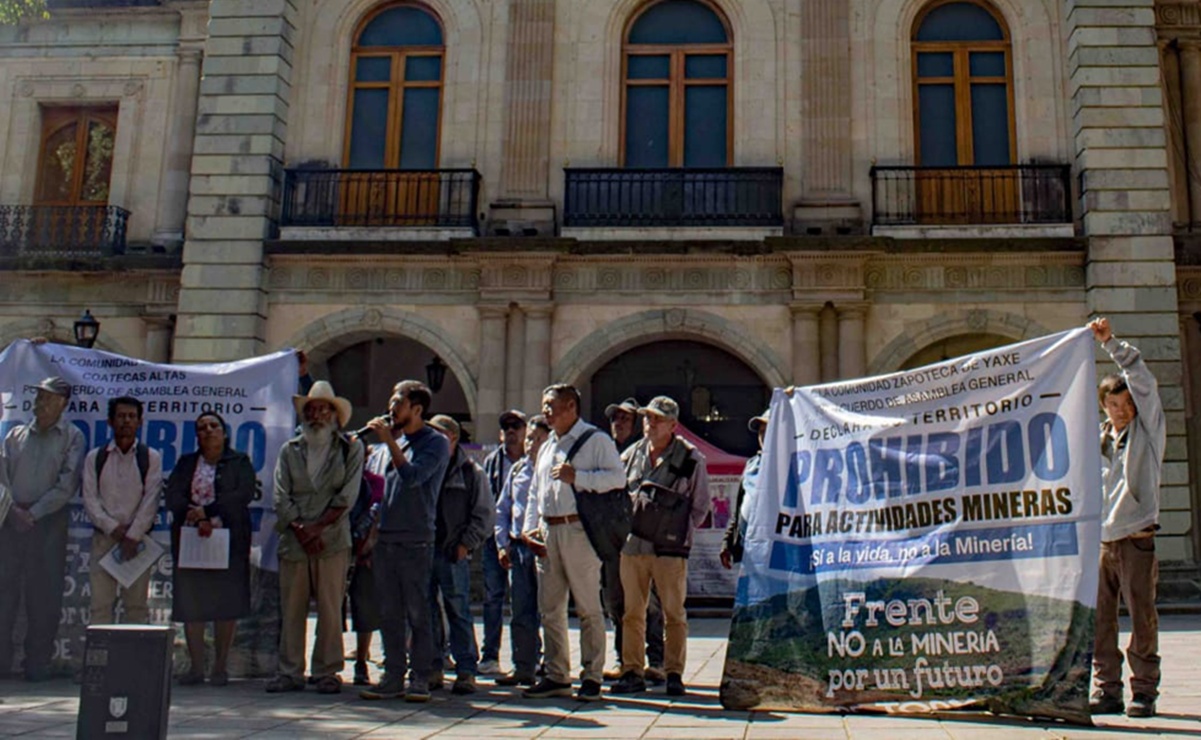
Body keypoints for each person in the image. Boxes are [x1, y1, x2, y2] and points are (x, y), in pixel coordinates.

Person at [521, 384, 625, 702]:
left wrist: (577, 477)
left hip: (579, 531)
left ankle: (592, 675)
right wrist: (529, 527)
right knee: (550, 608)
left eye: (551, 405)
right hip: (548, 530)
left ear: (570, 406)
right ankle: (556, 674)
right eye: (544, 405)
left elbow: (617, 479)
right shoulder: (547, 445)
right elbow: (535, 492)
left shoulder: (596, 441)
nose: (546, 411)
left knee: (587, 607)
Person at [1089, 317, 1165, 719]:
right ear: (1104, 406)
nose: (1121, 411)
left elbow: (1142, 380)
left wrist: (1110, 344)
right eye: (1113, 405)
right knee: (1102, 621)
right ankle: (1107, 689)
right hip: (1103, 542)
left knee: (1142, 619)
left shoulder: (1148, 432)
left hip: (1137, 537)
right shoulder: (1098, 438)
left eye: (1126, 404)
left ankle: (1145, 691)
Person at [268, 381, 364, 695]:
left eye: (324, 409)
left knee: (330, 607)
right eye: (312, 409)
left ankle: (328, 670)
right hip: (295, 540)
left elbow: (347, 496)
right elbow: (281, 496)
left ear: (335, 415)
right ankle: (289, 671)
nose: (317, 415)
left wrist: (318, 528)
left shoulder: (350, 448)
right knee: (292, 608)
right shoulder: (290, 450)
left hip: (332, 540)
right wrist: (300, 528)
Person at [611, 396, 709, 697]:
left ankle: (674, 672)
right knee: (632, 612)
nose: (649, 424)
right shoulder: (631, 455)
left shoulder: (691, 458)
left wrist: (676, 531)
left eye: (657, 419)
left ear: (672, 425)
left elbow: (700, 506)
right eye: (647, 418)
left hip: (670, 549)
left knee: (673, 613)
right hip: (634, 545)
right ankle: (632, 671)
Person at [360, 380, 450, 703]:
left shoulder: (434, 443)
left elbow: (413, 478)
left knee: (418, 611)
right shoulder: (390, 447)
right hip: (386, 539)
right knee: (389, 611)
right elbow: (382, 495)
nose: (391, 409)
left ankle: (421, 677)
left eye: (398, 403)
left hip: (416, 540)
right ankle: (393, 675)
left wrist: (390, 442)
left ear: (417, 409)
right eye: (390, 402)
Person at [0, 377, 85, 681]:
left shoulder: (72, 437)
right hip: (9, 520)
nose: (40, 403)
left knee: (43, 596)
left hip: (48, 521)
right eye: (38, 397)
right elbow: (1, 477)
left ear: (63, 403)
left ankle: (37, 662)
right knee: (3, 593)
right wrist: (12, 510)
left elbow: (66, 484)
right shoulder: (15, 435)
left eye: (48, 398)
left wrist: (33, 514)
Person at [165, 411, 256, 686]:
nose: (208, 431)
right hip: (192, 539)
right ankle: (195, 668)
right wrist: (195, 514)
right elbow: (173, 495)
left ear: (224, 432)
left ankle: (219, 667)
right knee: (192, 603)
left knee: (224, 603)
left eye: (213, 426)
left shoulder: (239, 461)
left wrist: (209, 511)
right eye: (202, 427)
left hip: (229, 541)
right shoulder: (186, 462)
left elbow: (244, 494)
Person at [426, 415, 494, 695]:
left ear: (453, 438)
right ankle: (433, 665)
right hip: (425, 549)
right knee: (427, 610)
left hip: (453, 551)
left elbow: (484, 514)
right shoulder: (426, 466)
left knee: (459, 611)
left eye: (439, 434)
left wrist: (467, 544)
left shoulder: (471, 472)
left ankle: (466, 668)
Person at [82, 396, 164, 627]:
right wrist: (114, 529)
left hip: (137, 543)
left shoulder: (150, 457)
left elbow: (151, 499)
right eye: (121, 416)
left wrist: (132, 535)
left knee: (136, 609)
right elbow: (90, 500)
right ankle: (99, 662)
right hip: (104, 539)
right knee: (100, 607)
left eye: (131, 416)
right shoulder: (95, 457)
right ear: (110, 421)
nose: (126, 421)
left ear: (140, 422)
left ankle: (134, 663)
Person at [601, 397, 665, 684]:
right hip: (614, 541)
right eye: (615, 418)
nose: (619, 423)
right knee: (616, 602)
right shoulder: (604, 454)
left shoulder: (643, 453)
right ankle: (624, 658)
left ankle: (656, 660)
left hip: (643, 539)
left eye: (625, 419)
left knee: (649, 604)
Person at [493, 414, 551, 686]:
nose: (532, 443)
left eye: (539, 438)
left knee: (550, 609)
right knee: (521, 610)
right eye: (530, 438)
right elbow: (502, 509)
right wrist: (501, 542)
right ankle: (523, 665)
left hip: (545, 548)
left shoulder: (555, 470)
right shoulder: (517, 470)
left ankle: (552, 665)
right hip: (518, 548)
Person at [479, 409, 527, 675]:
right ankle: (490, 655)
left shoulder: (534, 460)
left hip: (523, 538)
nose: (511, 431)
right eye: (506, 426)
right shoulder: (491, 462)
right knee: (492, 597)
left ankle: (529, 655)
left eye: (516, 426)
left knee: (525, 599)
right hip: (493, 539)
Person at [346, 447, 385, 687]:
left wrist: (370, 545)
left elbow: (379, 514)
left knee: (365, 608)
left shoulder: (376, 483)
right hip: (333, 549)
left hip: (366, 553)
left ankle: (362, 660)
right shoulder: (334, 481)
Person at [720, 410, 767, 571]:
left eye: (769, 431)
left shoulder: (791, 465)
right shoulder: (751, 466)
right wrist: (727, 542)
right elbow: (740, 509)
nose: (764, 436)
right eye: (761, 432)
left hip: (778, 553)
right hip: (750, 551)